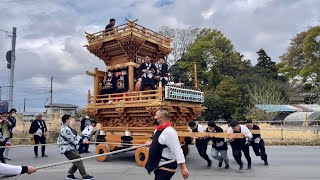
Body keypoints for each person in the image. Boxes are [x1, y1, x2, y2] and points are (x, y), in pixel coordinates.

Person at [145, 108, 189, 180]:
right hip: (158, 164)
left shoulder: (170, 132)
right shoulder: (158, 129)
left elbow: (177, 150)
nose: (154, 117)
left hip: (167, 165)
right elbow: (160, 141)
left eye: (156, 116)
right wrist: (152, 143)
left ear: (161, 118)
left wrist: (183, 168)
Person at [57, 114, 95, 180]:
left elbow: (76, 136)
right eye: (70, 119)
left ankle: (70, 175)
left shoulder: (68, 128)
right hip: (67, 149)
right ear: (67, 120)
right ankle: (84, 175)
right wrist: (82, 141)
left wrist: (84, 140)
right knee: (78, 160)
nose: (71, 121)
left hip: (70, 148)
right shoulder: (64, 129)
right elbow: (72, 138)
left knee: (77, 161)